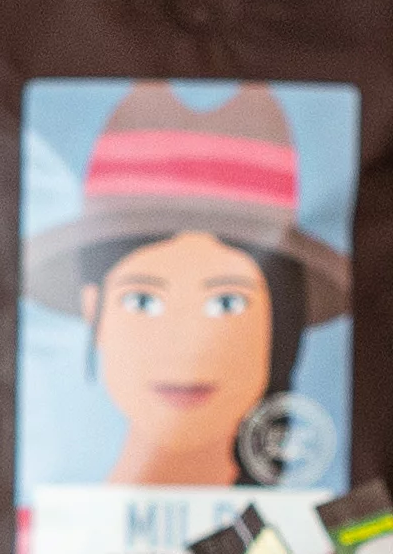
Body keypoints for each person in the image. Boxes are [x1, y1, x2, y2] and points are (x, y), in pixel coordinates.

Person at [36, 83, 341, 490]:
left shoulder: (326, 531)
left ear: (279, 321)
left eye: (227, 304)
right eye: (143, 301)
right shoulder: (43, 536)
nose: (184, 343)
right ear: (94, 310)